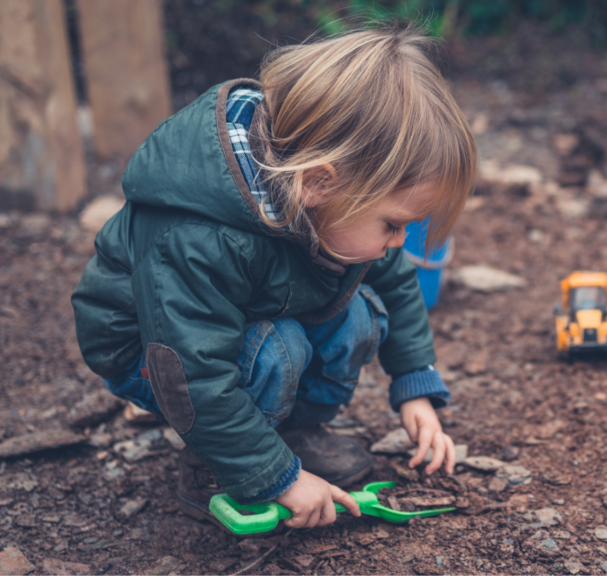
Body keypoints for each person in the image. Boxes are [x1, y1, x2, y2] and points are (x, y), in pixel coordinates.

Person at [71, 22, 476, 531]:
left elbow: (394, 281)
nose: (398, 242)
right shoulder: (199, 236)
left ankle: (289, 434)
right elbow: (191, 370)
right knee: (275, 349)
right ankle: (221, 469)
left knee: (357, 316)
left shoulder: (327, 206)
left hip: (242, 315)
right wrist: (276, 481)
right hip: (153, 351)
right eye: (393, 225)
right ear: (318, 183)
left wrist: (415, 385)